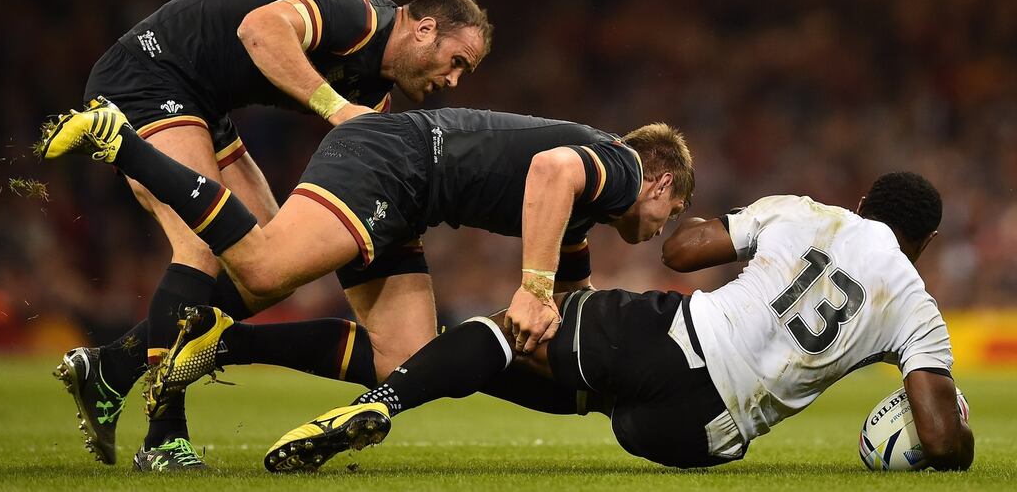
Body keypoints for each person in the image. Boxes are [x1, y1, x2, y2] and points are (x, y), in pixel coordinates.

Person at [39, 100, 694, 469]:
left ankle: (192, 349)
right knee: (264, 269)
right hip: (396, 161)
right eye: (675, 211)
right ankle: (126, 142)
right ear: (662, 183)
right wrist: (536, 286)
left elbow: (570, 329)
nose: (666, 226)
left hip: (409, 192)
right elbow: (552, 169)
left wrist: (600, 380)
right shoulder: (625, 166)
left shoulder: (584, 215)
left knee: (402, 359)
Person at [51, 0, 491, 470]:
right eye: (457, 62)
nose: (453, 80)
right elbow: (259, 30)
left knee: (264, 263)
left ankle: (113, 365)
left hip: (201, 102)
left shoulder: (375, 92)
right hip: (148, 75)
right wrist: (337, 109)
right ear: (425, 30)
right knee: (200, 246)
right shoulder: (356, 14)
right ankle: (162, 440)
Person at [262, 172, 973, 473]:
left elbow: (681, 250)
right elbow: (941, 438)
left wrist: (728, 224)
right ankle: (449, 366)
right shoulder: (915, 305)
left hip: (672, 341)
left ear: (862, 201)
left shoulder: (806, 211)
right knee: (572, 382)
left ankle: (381, 401)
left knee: (519, 328)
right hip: (693, 437)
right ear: (925, 240)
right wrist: (959, 437)